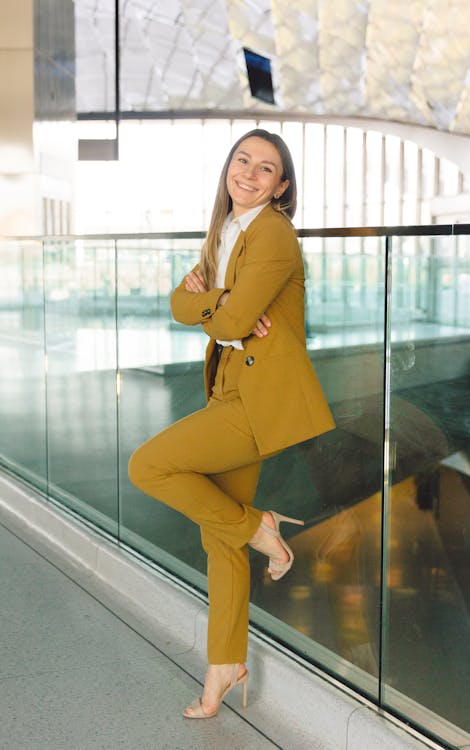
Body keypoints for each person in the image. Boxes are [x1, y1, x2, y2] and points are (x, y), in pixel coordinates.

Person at [128, 128, 335, 719]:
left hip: (256, 399)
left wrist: (217, 306)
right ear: (228, 168)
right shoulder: (224, 230)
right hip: (227, 384)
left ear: (282, 186)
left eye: (265, 169)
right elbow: (181, 303)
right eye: (242, 160)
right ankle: (225, 666)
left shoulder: (273, 232)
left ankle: (260, 525)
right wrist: (221, 306)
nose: (249, 172)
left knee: (149, 465)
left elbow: (232, 315)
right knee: (219, 539)